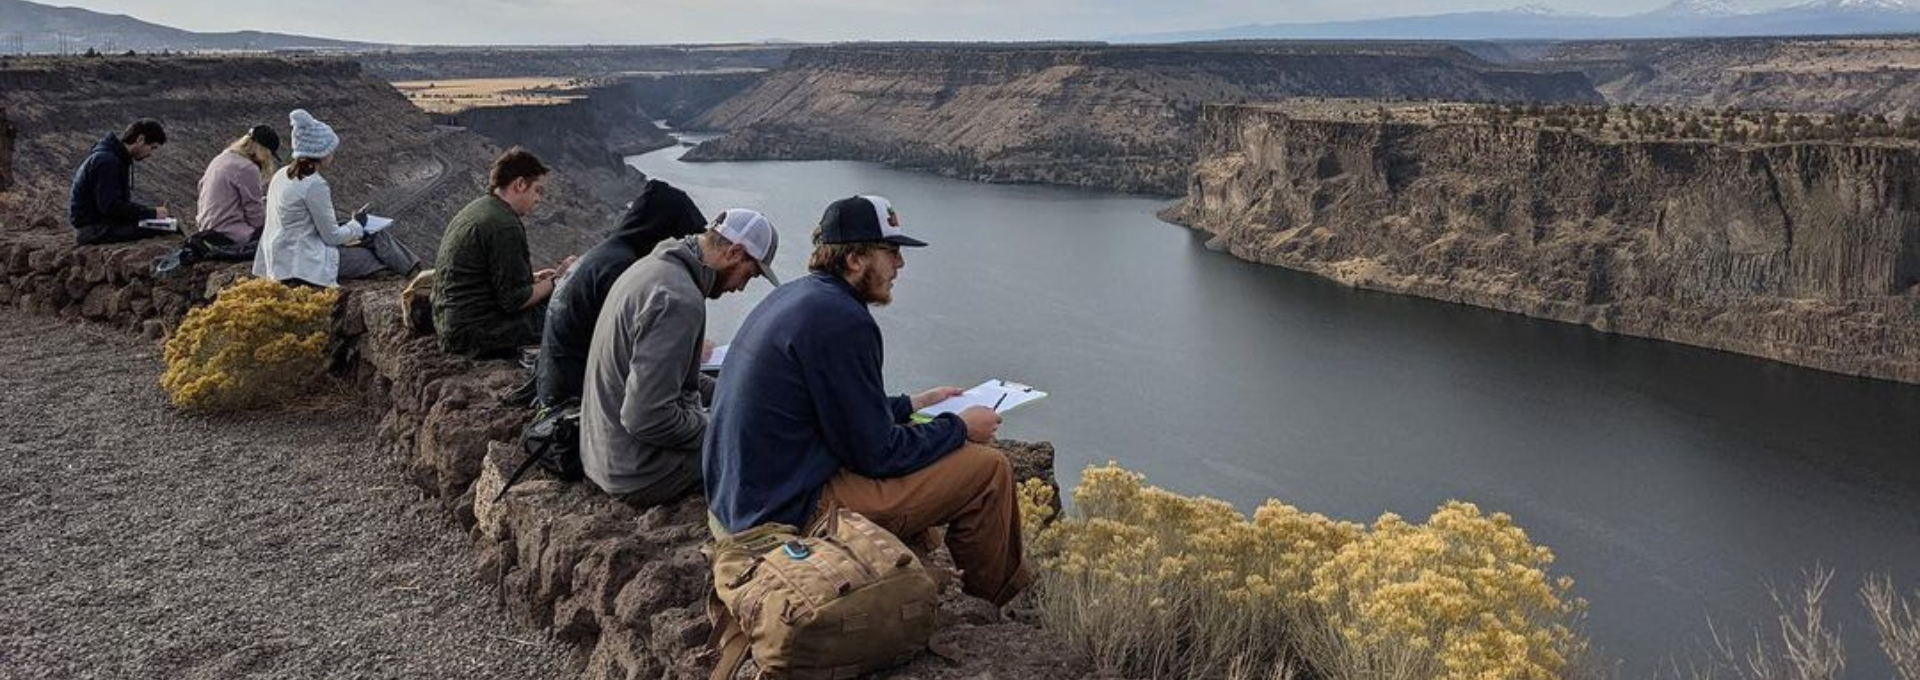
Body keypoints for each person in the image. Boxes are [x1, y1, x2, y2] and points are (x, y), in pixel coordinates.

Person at [703, 195, 1032, 608]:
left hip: (743, 497)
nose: (900, 265)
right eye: (891, 252)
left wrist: (913, 403)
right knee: (989, 470)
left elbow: (837, 409)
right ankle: (994, 607)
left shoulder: (800, 298)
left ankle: (921, 570)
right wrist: (962, 427)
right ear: (855, 258)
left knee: (926, 445)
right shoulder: (844, 320)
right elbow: (878, 455)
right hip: (786, 510)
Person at [581, 209, 780, 507]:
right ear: (735, 253)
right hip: (637, 473)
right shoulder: (679, 299)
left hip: (603, 452)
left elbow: (675, 375)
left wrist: (736, 392)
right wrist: (724, 427)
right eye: (748, 275)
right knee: (767, 450)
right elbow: (646, 418)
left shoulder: (653, 267)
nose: (740, 288)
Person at [536, 179, 706, 408]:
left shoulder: (606, 256)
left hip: (558, 388)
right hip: (574, 402)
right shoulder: (621, 269)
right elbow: (644, 366)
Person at [253, 110, 420, 288]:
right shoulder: (314, 184)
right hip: (301, 262)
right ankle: (415, 274)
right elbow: (331, 237)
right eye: (331, 150)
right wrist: (357, 225)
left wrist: (355, 226)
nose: (333, 154)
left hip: (280, 255)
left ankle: (414, 270)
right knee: (375, 258)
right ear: (322, 152)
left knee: (374, 235)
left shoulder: (282, 175)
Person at [434, 147, 572, 359]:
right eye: (537, 190)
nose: (539, 199)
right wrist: (558, 280)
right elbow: (515, 301)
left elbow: (490, 279)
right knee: (569, 310)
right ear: (519, 184)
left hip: (451, 322)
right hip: (475, 333)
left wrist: (537, 279)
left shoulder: (479, 208)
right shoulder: (504, 225)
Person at [68, 119, 169, 245]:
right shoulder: (107, 162)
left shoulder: (115, 158)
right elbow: (110, 206)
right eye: (152, 147)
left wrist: (150, 214)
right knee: (170, 228)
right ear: (140, 139)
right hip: (95, 230)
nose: (151, 154)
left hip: (99, 226)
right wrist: (152, 213)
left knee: (166, 224)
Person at [194, 125, 281, 247]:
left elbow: (201, 186)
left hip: (206, 228)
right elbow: (255, 216)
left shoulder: (222, 158)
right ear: (264, 151)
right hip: (229, 233)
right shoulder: (247, 168)